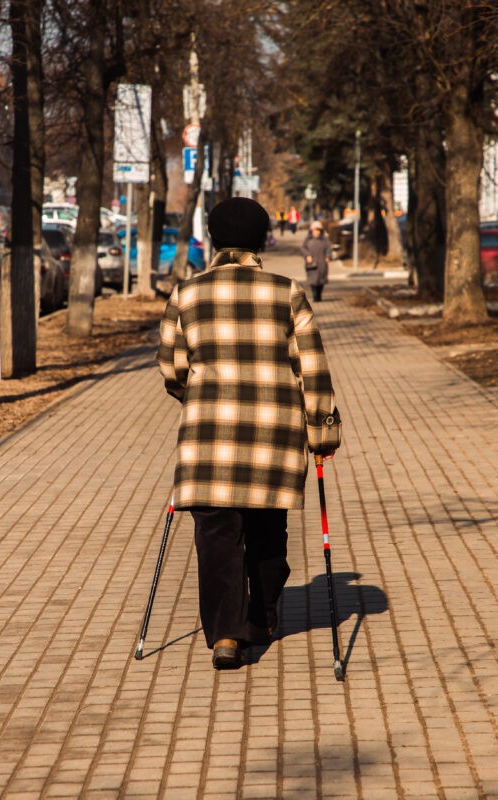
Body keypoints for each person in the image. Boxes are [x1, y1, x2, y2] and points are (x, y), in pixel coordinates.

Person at [157, 196, 342, 671]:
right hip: (273, 437)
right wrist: (321, 429)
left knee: (216, 536)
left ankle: (225, 635)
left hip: (208, 437)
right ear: (260, 241)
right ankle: (260, 618)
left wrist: (198, 395)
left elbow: (172, 368)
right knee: (266, 530)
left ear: (216, 241)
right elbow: (312, 368)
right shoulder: (287, 292)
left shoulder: (187, 294)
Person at [300, 220, 331, 302]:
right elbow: (303, 248)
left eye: (318, 230)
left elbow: (329, 248)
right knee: (313, 280)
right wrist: (307, 255)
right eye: (315, 230)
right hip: (311, 264)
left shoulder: (324, 239)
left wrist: (328, 256)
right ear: (312, 230)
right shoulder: (308, 240)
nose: (317, 232)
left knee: (321, 280)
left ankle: (319, 294)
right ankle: (314, 295)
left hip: (322, 263)